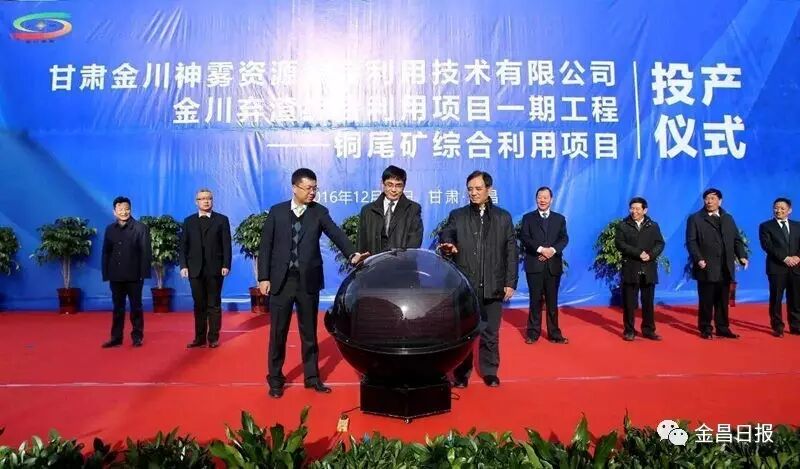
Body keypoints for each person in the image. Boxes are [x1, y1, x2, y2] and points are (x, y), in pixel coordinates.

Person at [258, 168, 368, 398]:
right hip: (281, 282)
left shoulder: (319, 212)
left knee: (309, 333)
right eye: (308, 188)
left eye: (315, 188)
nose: (312, 192)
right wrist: (263, 277)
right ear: (295, 188)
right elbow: (265, 246)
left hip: (308, 281)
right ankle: (275, 379)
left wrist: (352, 255)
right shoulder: (277, 212)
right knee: (278, 333)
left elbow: (336, 234)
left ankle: (312, 377)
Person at [438, 171, 517, 388]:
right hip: (466, 285)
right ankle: (461, 374)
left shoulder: (503, 217)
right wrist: (448, 244)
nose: (473, 193)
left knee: (491, 332)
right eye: (470, 189)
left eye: (478, 189)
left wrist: (510, 282)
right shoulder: (458, 215)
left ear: (489, 190)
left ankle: (490, 371)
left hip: (494, 283)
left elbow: (511, 251)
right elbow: (447, 233)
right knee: (464, 333)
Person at [685, 188, 748, 339]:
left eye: (713, 198)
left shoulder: (727, 218)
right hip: (706, 265)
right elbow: (691, 242)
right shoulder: (695, 218)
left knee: (723, 300)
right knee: (706, 300)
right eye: (707, 198)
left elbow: (736, 239)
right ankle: (705, 328)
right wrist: (698, 258)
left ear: (720, 201)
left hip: (725, 266)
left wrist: (742, 256)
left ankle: (723, 328)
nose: (709, 201)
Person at [179, 188, 232, 349]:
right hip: (195, 269)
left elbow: (226, 245)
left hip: (215, 268)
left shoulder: (222, 220)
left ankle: (213, 338)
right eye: (202, 199)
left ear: (212, 200)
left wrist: (226, 264)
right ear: (197, 202)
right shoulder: (188, 221)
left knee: (214, 304)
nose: (206, 201)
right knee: (199, 304)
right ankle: (199, 338)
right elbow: (183, 246)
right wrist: (183, 265)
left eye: (208, 198)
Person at [518, 186, 569, 344]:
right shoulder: (528, 218)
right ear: (536, 199)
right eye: (540, 197)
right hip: (535, 265)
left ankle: (554, 333)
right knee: (535, 301)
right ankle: (533, 333)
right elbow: (524, 237)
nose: (542, 200)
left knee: (552, 302)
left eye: (545, 197)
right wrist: (541, 250)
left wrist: (552, 250)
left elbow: (564, 239)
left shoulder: (559, 219)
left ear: (551, 200)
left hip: (553, 266)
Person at [101, 196, 151, 348]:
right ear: (114, 212)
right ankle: (116, 338)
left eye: (126, 209)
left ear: (130, 209)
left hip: (134, 275)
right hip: (115, 275)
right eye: (120, 209)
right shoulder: (110, 229)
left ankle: (137, 336)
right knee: (118, 307)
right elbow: (106, 253)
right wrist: (106, 273)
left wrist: (143, 274)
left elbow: (146, 252)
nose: (124, 212)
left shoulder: (141, 228)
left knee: (136, 307)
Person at [614, 197, 665, 341]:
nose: (634, 211)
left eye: (637, 208)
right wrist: (638, 253)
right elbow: (620, 244)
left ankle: (649, 330)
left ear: (645, 210)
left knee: (648, 302)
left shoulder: (653, 225)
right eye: (632, 208)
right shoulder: (623, 225)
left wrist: (651, 254)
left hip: (648, 268)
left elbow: (660, 243)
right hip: (631, 267)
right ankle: (629, 330)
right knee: (629, 303)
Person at [758, 197, 800, 337]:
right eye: (776, 208)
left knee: (796, 298)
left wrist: (797, 257)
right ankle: (778, 327)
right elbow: (767, 246)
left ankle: (796, 326)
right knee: (776, 298)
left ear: (789, 210)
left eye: (782, 208)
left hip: (796, 267)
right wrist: (785, 258)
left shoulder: (797, 226)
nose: (779, 210)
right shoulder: (766, 226)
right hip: (777, 268)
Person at [357, 165, 423, 254]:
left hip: (402, 262)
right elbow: (361, 245)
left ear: (404, 186)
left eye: (398, 185)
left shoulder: (413, 210)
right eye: (390, 185)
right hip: (374, 262)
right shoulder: (368, 210)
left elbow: (414, 244)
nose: (393, 190)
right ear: (382, 184)